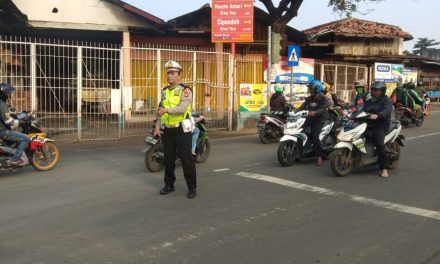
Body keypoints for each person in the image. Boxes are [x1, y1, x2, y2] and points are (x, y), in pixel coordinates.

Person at [154, 60, 197, 198]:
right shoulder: (164, 91)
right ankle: (169, 185)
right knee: (169, 159)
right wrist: (157, 126)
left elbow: (182, 108)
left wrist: (166, 110)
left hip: (181, 130)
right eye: (168, 73)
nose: (169, 76)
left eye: (172, 73)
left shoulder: (185, 90)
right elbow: (160, 110)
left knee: (186, 159)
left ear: (179, 76)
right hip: (168, 131)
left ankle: (192, 187)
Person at [363, 81, 393, 178]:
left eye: (378, 90)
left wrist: (378, 115)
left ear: (383, 91)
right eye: (374, 90)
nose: (375, 92)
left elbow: (387, 111)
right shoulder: (369, 101)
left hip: (381, 124)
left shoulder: (386, 100)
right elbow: (362, 109)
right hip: (367, 123)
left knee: (379, 144)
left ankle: (384, 168)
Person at [300, 79, 329, 166]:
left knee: (315, 136)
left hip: (319, 119)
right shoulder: (309, 99)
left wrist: (315, 112)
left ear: (317, 89)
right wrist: (293, 111)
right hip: (308, 119)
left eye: (312, 89)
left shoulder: (323, 98)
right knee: (300, 131)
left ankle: (319, 157)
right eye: (310, 89)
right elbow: (302, 107)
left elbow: (323, 109)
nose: (310, 90)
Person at [0, 83, 30, 167]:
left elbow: (5, 115)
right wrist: (20, 122)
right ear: (4, 93)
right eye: (8, 93)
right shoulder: (1, 104)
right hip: (2, 131)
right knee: (25, 138)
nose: (9, 95)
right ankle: (15, 159)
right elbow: (9, 121)